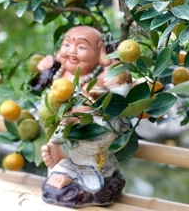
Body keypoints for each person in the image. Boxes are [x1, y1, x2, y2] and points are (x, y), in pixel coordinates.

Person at [37, 26, 131, 206]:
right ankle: (61, 161)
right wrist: (44, 67)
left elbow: (121, 91)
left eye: (81, 47)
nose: (72, 51)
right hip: (59, 127)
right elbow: (38, 86)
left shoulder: (102, 76)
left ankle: (73, 169)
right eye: (67, 44)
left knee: (100, 126)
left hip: (91, 133)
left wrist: (110, 64)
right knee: (50, 122)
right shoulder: (58, 72)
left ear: (100, 51)